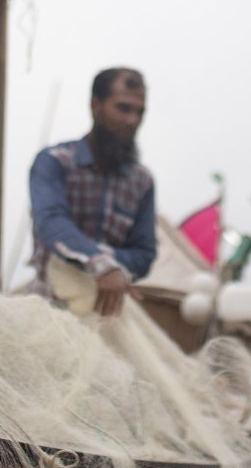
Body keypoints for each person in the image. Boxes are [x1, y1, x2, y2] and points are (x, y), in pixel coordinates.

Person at [28, 67, 156, 317]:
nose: (132, 120)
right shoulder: (55, 162)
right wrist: (102, 266)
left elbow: (144, 255)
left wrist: (108, 267)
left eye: (139, 112)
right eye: (123, 108)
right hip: (48, 309)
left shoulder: (142, 181)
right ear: (95, 105)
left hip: (108, 317)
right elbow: (51, 222)